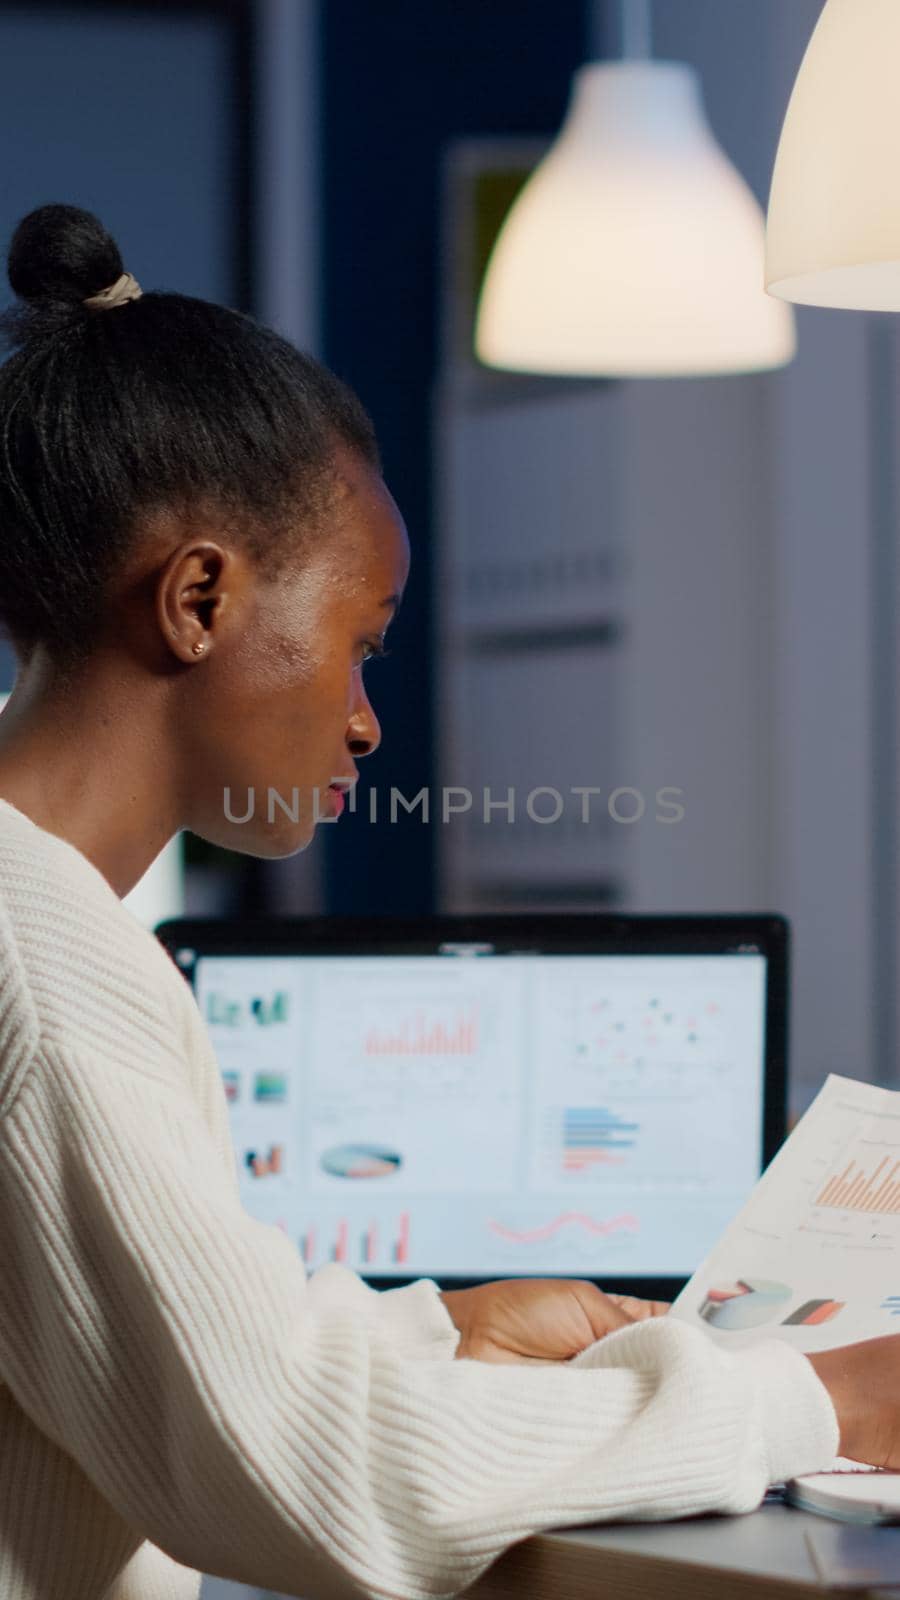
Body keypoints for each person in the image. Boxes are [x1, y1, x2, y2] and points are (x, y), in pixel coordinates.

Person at [0, 204, 892, 1600]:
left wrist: (447, 1333)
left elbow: (179, 1364)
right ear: (196, 602)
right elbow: (318, 1478)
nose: (364, 722)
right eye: (358, 645)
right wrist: (817, 1405)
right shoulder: (49, 975)